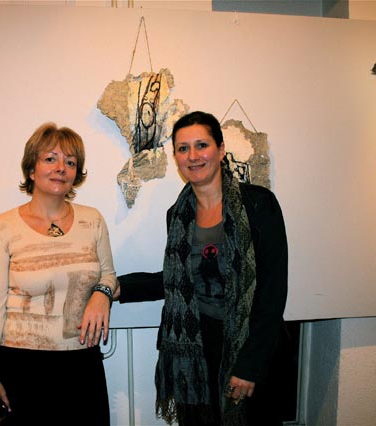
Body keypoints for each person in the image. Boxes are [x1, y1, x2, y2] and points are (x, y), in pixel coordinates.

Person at [115, 111, 290, 426]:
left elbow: (272, 291)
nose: (193, 156)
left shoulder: (259, 205)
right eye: (183, 148)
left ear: (220, 150)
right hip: (198, 347)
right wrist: (116, 287)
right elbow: (178, 279)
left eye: (201, 145)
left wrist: (249, 365)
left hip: (250, 345)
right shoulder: (177, 215)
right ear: (176, 157)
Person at [0, 122, 116, 425]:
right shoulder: (3, 226)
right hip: (22, 365)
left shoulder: (92, 220)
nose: (61, 168)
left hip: (82, 362)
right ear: (32, 169)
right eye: (50, 159)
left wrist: (101, 294)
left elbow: (109, 276)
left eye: (70, 162)